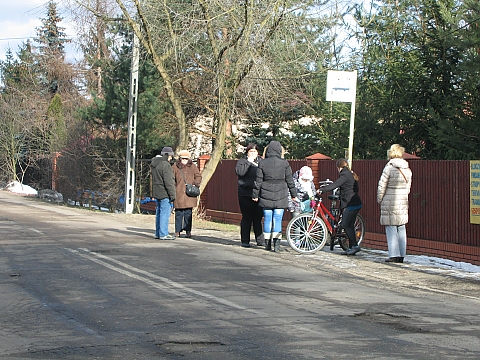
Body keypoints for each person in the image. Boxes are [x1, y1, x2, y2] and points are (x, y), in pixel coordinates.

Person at [252, 140, 297, 252]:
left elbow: (258, 181)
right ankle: (276, 245)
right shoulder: (285, 163)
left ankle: (267, 244)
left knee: (267, 219)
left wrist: (255, 195)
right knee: (277, 219)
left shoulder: (262, 163)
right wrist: (293, 195)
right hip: (281, 194)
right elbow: (290, 180)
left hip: (265, 193)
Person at [318, 159, 362, 255]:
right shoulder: (349, 174)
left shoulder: (344, 174)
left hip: (351, 204)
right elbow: (354, 188)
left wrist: (322, 190)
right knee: (348, 225)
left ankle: (355, 246)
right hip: (353, 203)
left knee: (346, 225)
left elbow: (335, 184)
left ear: (339, 167)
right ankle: (351, 248)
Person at [377, 144, 412, 263]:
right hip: (402, 200)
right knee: (401, 226)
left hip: (390, 200)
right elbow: (408, 187)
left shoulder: (389, 167)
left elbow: (382, 185)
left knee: (391, 226)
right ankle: (402, 254)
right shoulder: (407, 168)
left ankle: (394, 254)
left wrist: (380, 199)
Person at [235, 143, 264, 248]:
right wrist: (249, 162)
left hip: (258, 193)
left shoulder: (261, 162)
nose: (253, 153)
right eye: (251, 151)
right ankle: (245, 240)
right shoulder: (242, 162)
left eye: (255, 151)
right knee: (247, 217)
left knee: (258, 218)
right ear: (247, 152)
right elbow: (240, 172)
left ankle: (260, 240)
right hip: (245, 193)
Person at [172, 150, 202, 238]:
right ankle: (177, 231)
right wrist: (174, 188)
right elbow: (171, 178)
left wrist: (195, 183)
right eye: (183, 159)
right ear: (180, 158)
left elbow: (198, 176)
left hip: (190, 194)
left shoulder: (193, 166)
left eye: (186, 159)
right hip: (179, 193)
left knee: (188, 213)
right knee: (179, 213)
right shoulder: (175, 167)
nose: (184, 160)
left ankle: (188, 230)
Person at [151, 146, 176, 240]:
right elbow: (168, 182)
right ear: (167, 155)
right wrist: (172, 195)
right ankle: (163, 234)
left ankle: (158, 233)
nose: (171, 159)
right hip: (165, 192)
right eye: (170, 157)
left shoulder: (154, 164)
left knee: (159, 213)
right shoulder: (165, 165)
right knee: (165, 214)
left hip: (157, 191)